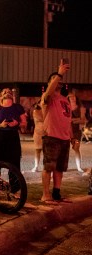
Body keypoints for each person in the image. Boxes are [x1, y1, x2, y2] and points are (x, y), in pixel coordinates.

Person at [40, 61, 72, 205]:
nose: (58, 82)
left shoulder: (65, 100)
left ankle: (56, 193)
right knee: (49, 167)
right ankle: (45, 195)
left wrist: (72, 137)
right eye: (54, 80)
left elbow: (67, 119)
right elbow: (48, 92)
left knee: (60, 168)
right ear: (49, 83)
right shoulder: (48, 97)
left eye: (59, 80)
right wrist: (59, 73)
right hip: (51, 137)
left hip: (64, 138)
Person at [0, 88, 27, 193]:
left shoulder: (18, 108)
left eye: (9, 92)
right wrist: (0, 125)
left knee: (14, 164)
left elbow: (24, 123)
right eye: (4, 92)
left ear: (12, 96)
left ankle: (15, 189)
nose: (7, 93)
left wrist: (16, 123)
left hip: (12, 137)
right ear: (1, 96)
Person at [68, 93, 86, 172]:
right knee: (64, 149)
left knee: (76, 148)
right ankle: (62, 166)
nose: (72, 98)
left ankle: (79, 167)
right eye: (70, 97)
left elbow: (83, 120)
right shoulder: (66, 107)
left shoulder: (80, 108)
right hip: (66, 131)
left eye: (73, 96)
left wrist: (73, 120)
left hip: (77, 132)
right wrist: (76, 120)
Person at [31, 101, 44, 172]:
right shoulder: (36, 111)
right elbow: (41, 119)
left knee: (47, 151)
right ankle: (36, 166)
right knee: (37, 150)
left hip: (47, 132)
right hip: (38, 132)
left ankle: (46, 166)